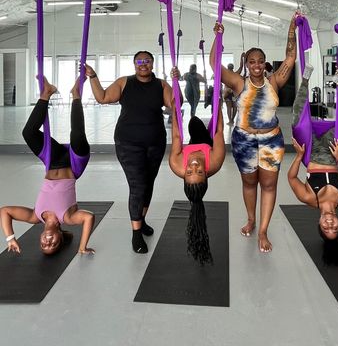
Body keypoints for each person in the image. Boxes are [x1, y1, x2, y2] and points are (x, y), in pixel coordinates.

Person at [210, 15, 297, 253]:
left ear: (265, 63)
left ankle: (263, 230)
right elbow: (214, 64)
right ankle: (251, 218)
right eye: (252, 61)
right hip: (244, 140)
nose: (256, 65)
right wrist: (218, 36)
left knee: (268, 185)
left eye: (260, 61)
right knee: (249, 182)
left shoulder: (275, 81)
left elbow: (290, 57)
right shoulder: (239, 83)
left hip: (271, 140)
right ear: (247, 64)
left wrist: (291, 28)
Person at [85, 51, 174, 254]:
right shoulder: (125, 82)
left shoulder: (161, 85)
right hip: (128, 143)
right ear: (134, 64)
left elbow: (174, 105)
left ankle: (141, 221)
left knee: (148, 182)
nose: (143, 64)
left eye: (147, 61)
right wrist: (93, 76)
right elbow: (103, 97)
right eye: (140, 61)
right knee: (138, 184)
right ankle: (136, 234)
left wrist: (175, 83)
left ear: (152, 64)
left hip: (155, 143)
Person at [0, 77, 95, 255]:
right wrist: (82, 246)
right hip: (74, 164)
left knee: (28, 133)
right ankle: (76, 95)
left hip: (52, 159)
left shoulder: (35, 216)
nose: (47, 242)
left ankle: (46, 93)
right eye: (53, 245)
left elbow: (4, 211)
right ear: (60, 237)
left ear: (40, 239)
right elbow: (89, 217)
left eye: (44, 245)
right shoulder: (67, 218)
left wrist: (10, 238)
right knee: (77, 136)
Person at [287, 63, 338, 265]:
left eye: (326, 229)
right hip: (333, 153)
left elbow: (291, 177)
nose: (329, 224)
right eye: (334, 228)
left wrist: (299, 156)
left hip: (309, 152)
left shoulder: (308, 198)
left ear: (319, 224)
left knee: (297, 123)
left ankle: (306, 79)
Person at [169, 68, 226, 264]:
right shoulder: (216, 162)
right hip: (206, 142)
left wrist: (175, 107)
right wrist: (217, 102)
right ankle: (207, 104)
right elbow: (219, 129)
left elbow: (176, 135)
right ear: (206, 173)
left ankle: (194, 120)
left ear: (183, 174)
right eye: (199, 171)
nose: (193, 166)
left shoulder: (177, 164)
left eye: (190, 172)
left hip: (192, 142)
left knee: (192, 122)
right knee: (199, 127)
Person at [223, 57, 244, 125]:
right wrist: (242, 58)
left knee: (229, 107)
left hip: (227, 92)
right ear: (233, 68)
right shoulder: (235, 74)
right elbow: (241, 67)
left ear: (227, 68)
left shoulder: (225, 75)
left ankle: (230, 121)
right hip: (234, 92)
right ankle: (232, 120)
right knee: (235, 107)